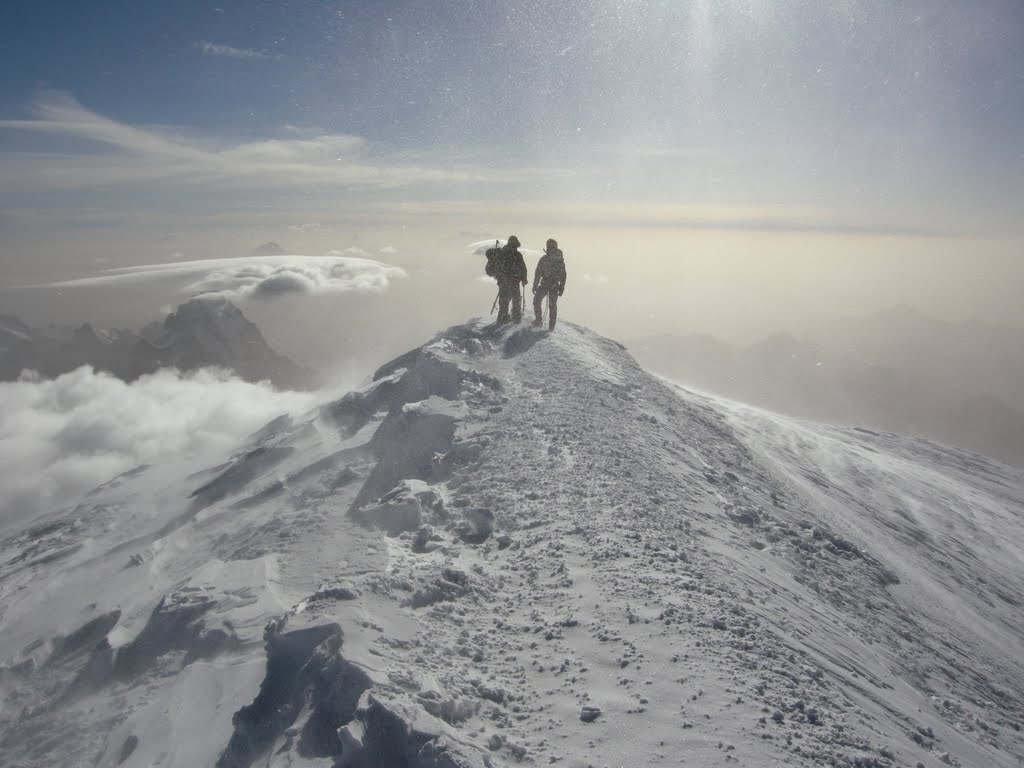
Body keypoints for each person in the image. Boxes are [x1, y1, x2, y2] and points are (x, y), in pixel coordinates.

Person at [488, 235, 528, 324]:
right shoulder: (516, 255)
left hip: (504, 281)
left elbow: (522, 268)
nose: (515, 247)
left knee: (505, 300)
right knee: (514, 299)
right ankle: (515, 318)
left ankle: (503, 318)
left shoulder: (503, 253)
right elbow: (523, 268)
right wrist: (524, 278)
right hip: (512, 280)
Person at [532, 238, 567, 330]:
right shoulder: (559, 260)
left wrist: (535, 285)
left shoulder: (545, 259)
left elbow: (538, 273)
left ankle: (539, 320)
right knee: (552, 305)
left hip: (545, 283)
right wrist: (561, 287)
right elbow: (563, 275)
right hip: (554, 285)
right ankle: (551, 326)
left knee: (537, 301)